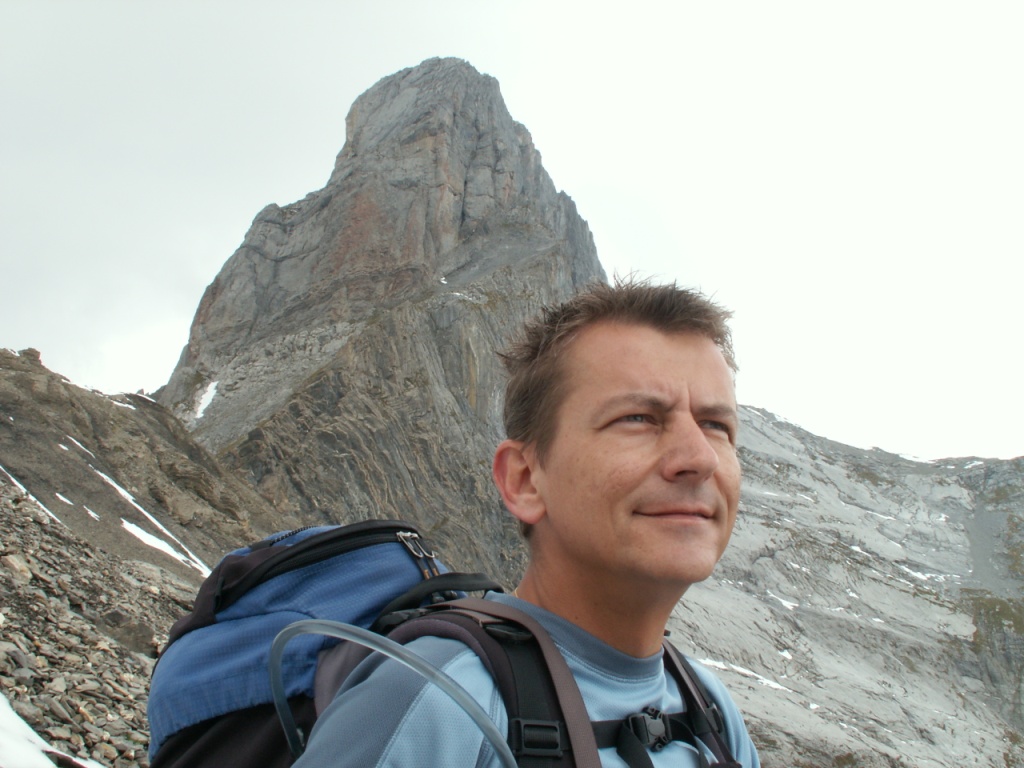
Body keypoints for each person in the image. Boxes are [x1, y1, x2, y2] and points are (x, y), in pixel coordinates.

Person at [295, 279, 760, 767]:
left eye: (716, 426)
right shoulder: (436, 703)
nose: (699, 458)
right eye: (638, 418)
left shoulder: (710, 709)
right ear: (524, 481)